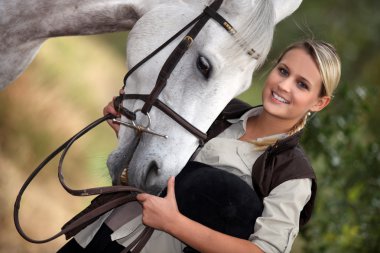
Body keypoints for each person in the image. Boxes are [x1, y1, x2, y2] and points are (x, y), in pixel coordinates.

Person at [58, 39, 341, 253]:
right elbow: (157, 163)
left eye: (302, 84)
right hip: (105, 231)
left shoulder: (292, 173)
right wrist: (129, 131)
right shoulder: (219, 108)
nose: (284, 86)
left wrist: (172, 223)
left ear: (319, 102)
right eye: (283, 71)